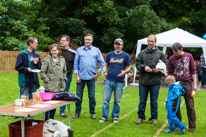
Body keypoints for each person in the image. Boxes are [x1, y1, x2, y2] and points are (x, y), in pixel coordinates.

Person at [135, 34, 167, 125]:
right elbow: (137, 64)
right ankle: (140, 117)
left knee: (154, 101)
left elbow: (165, 64)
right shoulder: (142, 53)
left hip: (155, 81)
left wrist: (159, 70)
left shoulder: (160, 53)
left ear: (155, 42)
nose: (150, 43)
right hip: (143, 81)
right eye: (149, 41)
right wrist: (144, 67)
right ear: (147, 42)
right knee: (142, 100)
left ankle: (154, 118)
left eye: (152, 41)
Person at [73, 33, 105, 119]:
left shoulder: (96, 50)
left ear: (92, 40)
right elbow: (75, 64)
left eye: (89, 39)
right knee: (78, 96)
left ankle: (92, 113)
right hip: (81, 77)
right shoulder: (79, 50)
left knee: (92, 96)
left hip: (91, 77)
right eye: (86, 39)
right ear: (84, 40)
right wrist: (77, 75)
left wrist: (98, 73)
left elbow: (102, 62)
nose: (87, 41)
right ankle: (77, 112)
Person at [99, 38, 131, 123]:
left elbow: (129, 67)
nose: (117, 46)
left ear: (122, 46)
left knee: (117, 101)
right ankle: (104, 117)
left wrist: (124, 72)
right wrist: (103, 71)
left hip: (119, 81)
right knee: (105, 100)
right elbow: (106, 65)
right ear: (114, 45)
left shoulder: (126, 56)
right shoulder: (109, 55)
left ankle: (115, 117)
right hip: (109, 80)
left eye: (119, 44)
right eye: (116, 44)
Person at [167, 42, 197, 132]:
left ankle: (192, 126)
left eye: (177, 52)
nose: (176, 54)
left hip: (187, 83)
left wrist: (195, 84)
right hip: (176, 84)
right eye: (174, 52)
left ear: (181, 49)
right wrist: (171, 85)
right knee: (175, 106)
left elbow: (193, 71)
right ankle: (177, 125)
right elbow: (170, 73)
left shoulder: (189, 56)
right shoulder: (171, 59)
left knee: (190, 106)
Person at [40, 44, 67, 121]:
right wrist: (47, 80)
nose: (54, 52)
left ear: (58, 51)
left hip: (58, 86)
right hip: (49, 86)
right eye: (52, 50)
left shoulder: (62, 59)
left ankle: (51, 120)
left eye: (55, 50)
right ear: (50, 51)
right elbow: (42, 72)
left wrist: (64, 79)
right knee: (47, 106)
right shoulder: (47, 60)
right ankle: (45, 121)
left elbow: (64, 71)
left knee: (54, 105)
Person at [59, 35, 76, 117]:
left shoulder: (73, 52)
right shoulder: (58, 51)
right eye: (61, 40)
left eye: (63, 40)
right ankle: (51, 110)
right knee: (54, 92)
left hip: (67, 75)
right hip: (57, 76)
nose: (61, 42)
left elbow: (75, 64)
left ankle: (62, 111)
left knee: (64, 92)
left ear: (68, 41)